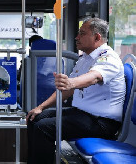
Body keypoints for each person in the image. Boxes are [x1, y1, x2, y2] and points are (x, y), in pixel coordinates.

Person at [26, 18, 126, 164]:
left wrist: (70, 83)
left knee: (44, 128)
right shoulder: (85, 58)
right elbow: (66, 91)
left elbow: (94, 77)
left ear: (97, 37)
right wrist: (40, 107)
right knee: (34, 118)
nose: (76, 37)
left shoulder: (108, 58)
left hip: (101, 123)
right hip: (82, 114)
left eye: (82, 34)